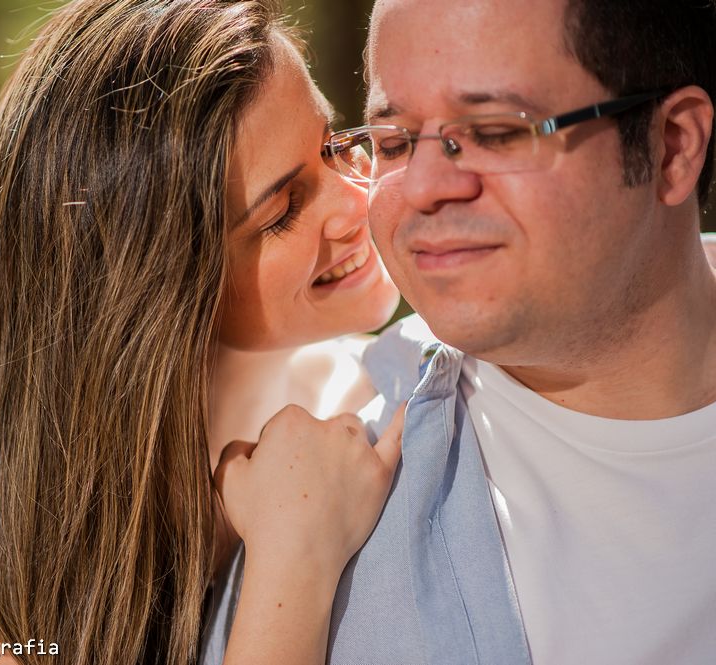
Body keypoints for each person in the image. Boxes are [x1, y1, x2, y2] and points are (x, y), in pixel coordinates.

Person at [0, 1, 407, 664]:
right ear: (153, 289)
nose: (360, 200)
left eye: (333, 145)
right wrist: (294, 558)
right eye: (281, 212)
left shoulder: (392, 401)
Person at [201, 0, 716, 663]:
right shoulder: (319, 549)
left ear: (671, 145)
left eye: (495, 132)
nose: (422, 187)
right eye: (393, 142)